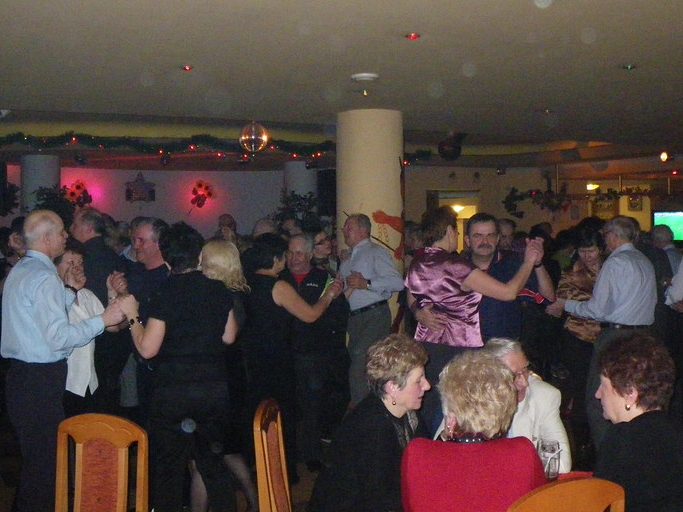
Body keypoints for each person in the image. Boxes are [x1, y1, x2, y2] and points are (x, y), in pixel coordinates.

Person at [1, 210, 124, 511]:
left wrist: (69, 291)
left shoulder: (22, 269)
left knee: (37, 465)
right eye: (60, 233)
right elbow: (58, 337)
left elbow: (39, 320)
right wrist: (103, 320)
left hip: (23, 378)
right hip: (39, 381)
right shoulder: (44, 277)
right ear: (46, 238)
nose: (66, 236)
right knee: (45, 469)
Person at [119, 222, 238, 512]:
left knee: (168, 469)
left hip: (173, 392)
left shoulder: (165, 291)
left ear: (167, 258)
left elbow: (147, 348)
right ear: (199, 255)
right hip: (212, 389)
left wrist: (133, 316)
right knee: (213, 466)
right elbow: (229, 336)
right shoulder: (218, 289)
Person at [405, 207, 544, 432]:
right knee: (460, 409)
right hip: (459, 348)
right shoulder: (455, 265)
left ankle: (430, 449)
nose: (457, 236)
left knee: (432, 408)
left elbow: (411, 294)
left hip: (429, 346)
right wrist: (528, 262)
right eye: (457, 231)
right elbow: (509, 293)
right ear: (449, 230)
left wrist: (417, 311)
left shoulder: (419, 260)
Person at [547, 216, 657, 447]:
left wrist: (565, 304)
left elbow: (598, 310)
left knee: (599, 399)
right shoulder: (644, 260)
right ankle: (633, 446)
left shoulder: (615, 262)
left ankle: (606, 451)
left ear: (613, 236)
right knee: (636, 395)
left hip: (616, 336)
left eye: (606, 236)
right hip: (643, 336)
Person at [240, 233, 342, 482]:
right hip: (277, 358)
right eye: (285, 254)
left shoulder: (247, 283)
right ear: (276, 258)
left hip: (253, 358)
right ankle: (283, 473)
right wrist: (329, 295)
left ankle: (261, 466)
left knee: (259, 413)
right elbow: (310, 315)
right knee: (280, 414)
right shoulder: (278, 285)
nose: (288, 259)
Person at [402, 350, 545, 512]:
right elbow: (538, 505)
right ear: (505, 407)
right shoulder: (522, 452)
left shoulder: (418, 453)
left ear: (451, 408)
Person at [308, 334, 430, 512]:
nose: (427, 386)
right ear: (393, 387)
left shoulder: (406, 411)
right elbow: (380, 499)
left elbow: (425, 458)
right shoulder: (372, 428)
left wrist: (445, 436)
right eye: (419, 381)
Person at [191, 239, 258, 512]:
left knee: (206, 456)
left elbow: (224, 340)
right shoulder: (232, 294)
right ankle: (256, 501)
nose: (199, 264)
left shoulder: (226, 297)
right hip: (226, 380)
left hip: (221, 382)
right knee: (222, 451)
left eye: (203, 259)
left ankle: (255, 501)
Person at [281, 234, 349, 470]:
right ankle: (288, 453)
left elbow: (339, 314)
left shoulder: (323, 279)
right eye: (290, 253)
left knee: (313, 405)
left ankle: (311, 453)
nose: (294, 258)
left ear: (310, 255)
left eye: (299, 253)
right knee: (288, 405)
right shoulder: (281, 279)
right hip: (285, 353)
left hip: (314, 354)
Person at [594, 334, 683, 512]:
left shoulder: (622, 439)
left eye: (603, 385)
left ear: (630, 394)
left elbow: (600, 504)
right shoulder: (676, 430)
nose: (597, 394)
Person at [338, 214, 404, 406]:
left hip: (374, 315)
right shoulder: (348, 259)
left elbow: (397, 282)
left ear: (363, 230)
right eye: (344, 227)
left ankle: (361, 410)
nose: (344, 231)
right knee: (358, 362)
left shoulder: (375, 251)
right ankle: (369, 407)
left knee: (360, 362)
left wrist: (366, 283)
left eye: (349, 227)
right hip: (354, 319)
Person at [463, 212, 555, 341]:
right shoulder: (456, 267)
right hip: (465, 345)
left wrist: (537, 263)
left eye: (490, 235)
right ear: (468, 240)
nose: (485, 241)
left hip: (504, 345)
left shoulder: (513, 263)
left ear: (497, 239)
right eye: (478, 236)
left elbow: (548, 297)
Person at [484, 338, 572, 473]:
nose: (524, 383)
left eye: (525, 370)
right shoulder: (469, 399)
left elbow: (560, 463)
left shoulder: (544, 396)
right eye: (513, 375)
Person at [555, 226, 604, 424]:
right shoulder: (572, 272)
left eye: (591, 250)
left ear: (600, 249)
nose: (587, 256)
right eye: (583, 251)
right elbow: (563, 298)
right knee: (581, 385)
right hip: (578, 335)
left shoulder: (611, 268)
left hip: (604, 335)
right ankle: (580, 428)